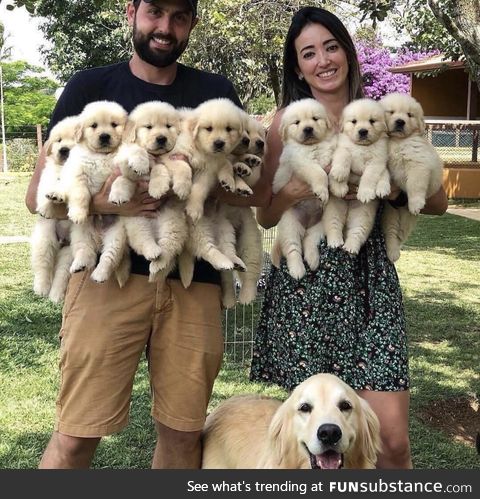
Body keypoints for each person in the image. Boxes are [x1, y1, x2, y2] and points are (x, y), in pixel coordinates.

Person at [25, 0, 248, 469]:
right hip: (108, 279)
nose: (165, 27)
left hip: (194, 281)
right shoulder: (90, 87)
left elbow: (249, 183)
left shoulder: (215, 92)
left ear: (192, 23)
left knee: (184, 437)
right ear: (131, 11)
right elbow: (37, 195)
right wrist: (102, 201)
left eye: (179, 16)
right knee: (76, 434)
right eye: (155, 12)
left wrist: (210, 184)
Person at [249, 6, 448, 469]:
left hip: (369, 279)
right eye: (309, 53)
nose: (323, 60)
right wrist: (299, 187)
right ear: (298, 67)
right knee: (320, 444)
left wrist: (392, 185)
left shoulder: (379, 116)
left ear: (347, 52)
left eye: (331, 47)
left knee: (391, 440)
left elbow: (435, 200)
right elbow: (264, 215)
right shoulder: (287, 119)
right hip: (308, 287)